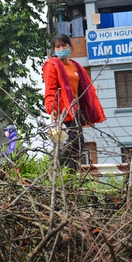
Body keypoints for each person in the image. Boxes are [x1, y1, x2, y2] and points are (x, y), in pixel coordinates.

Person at [42, 34, 106, 172]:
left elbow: (84, 88)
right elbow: (50, 89)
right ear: (54, 49)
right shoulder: (52, 65)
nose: (61, 48)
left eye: (63, 45)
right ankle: (55, 168)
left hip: (75, 110)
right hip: (63, 110)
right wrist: (52, 108)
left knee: (78, 144)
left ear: (70, 47)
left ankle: (70, 175)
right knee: (76, 142)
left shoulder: (76, 66)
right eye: (57, 46)